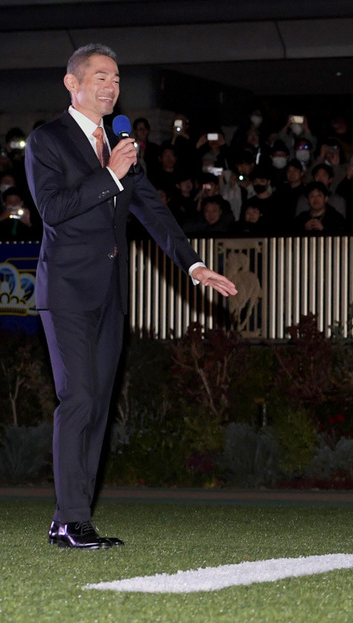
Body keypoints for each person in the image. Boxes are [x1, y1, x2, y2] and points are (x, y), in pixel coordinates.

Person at [24, 43, 237, 550]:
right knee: (76, 398)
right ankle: (72, 519)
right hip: (68, 293)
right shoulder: (46, 141)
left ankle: (70, 519)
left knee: (97, 406)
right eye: (100, 77)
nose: (111, 87)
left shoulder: (119, 143)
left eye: (116, 79)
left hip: (112, 295)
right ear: (72, 83)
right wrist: (111, 175)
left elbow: (152, 211)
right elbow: (53, 211)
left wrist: (193, 263)